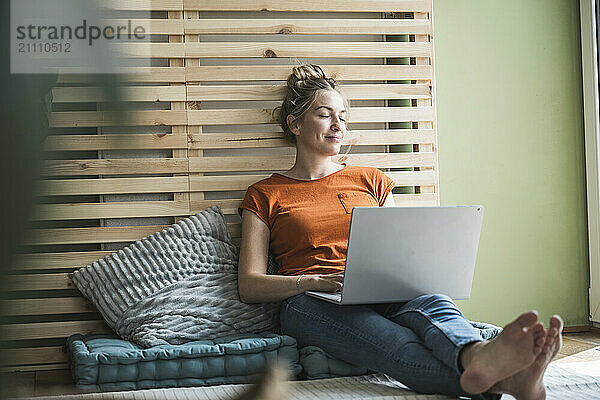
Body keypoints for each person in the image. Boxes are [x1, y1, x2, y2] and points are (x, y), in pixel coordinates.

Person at [237, 64, 563, 400]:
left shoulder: (371, 180)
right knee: (394, 342)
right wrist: (315, 282)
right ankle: (505, 382)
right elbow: (249, 285)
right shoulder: (265, 193)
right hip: (310, 301)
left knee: (436, 305)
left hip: (382, 289)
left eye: (343, 117)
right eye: (325, 115)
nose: (338, 126)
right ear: (295, 124)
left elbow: (399, 252)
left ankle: (477, 354)